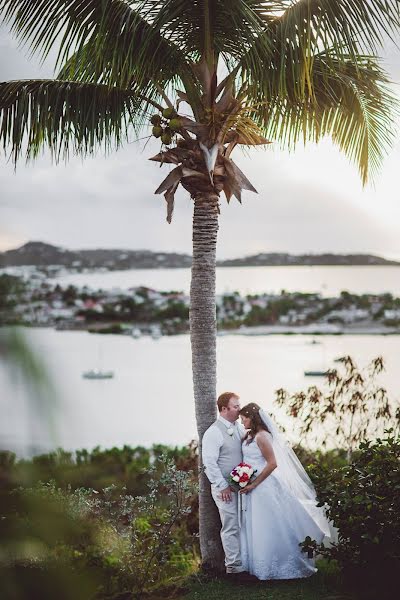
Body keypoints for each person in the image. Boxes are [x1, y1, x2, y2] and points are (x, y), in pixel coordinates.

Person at [238, 402, 331, 581]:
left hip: (264, 486)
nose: (242, 422)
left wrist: (254, 484)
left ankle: (279, 565)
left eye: (244, 419)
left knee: (270, 525)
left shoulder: (262, 436)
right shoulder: (250, 436)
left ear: (253, 417)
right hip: (252, 486)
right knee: (257, 525)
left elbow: (272, 463)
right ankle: (258, 566)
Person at [202, 392, 257, 583]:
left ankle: (245, 563)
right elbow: (209, 462)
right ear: (224, 409)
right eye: (235, 406)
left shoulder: (238, 428)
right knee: (231, 526)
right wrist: (222, 486)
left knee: (242, 525)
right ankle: (234, 569)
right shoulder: (214, 432)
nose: (239, 409)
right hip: (224, 489)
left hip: (240, 487)